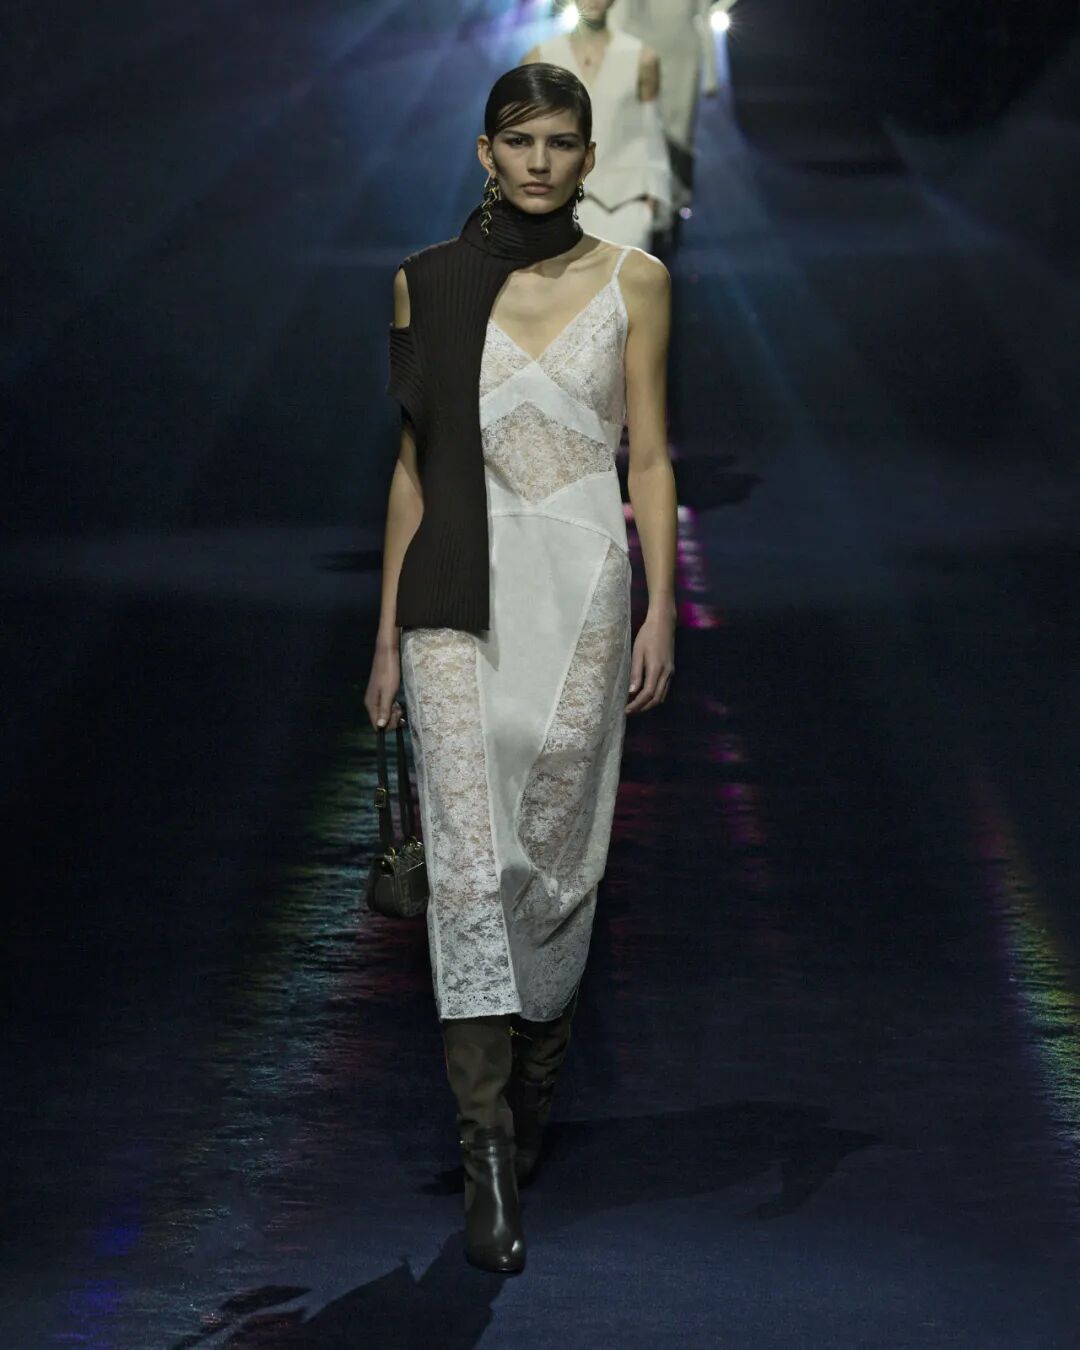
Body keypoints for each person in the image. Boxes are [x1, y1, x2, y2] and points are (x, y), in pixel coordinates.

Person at [363, 63, 677, 1273]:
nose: (540, 161)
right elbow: (413, 466)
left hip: (583, 594)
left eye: (561, 141)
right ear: (484, 153)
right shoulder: (427, 282)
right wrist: (385, 635)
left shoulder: (636, 281)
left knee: (552, 861)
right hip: (453, 594)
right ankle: (485, 1153)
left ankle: (532, 1093)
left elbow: (650, 457)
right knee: (467, 863)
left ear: (589, 157)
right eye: (519, 140)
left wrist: (663, 608)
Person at [522, 0, 671, 249]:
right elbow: (524, 137)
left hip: (626, 203)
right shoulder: (540, 58)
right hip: (556, 202)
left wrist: (649, 206)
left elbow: (652, 134)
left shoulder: (641, 57)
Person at [611, 0, 720, 214]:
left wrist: (711, 73)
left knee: (679, 134)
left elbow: (704, 15)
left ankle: (674, 203)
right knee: (643, 130)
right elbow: (618, 15)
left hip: (683, 56)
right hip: (643, 53)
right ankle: (648, 203)